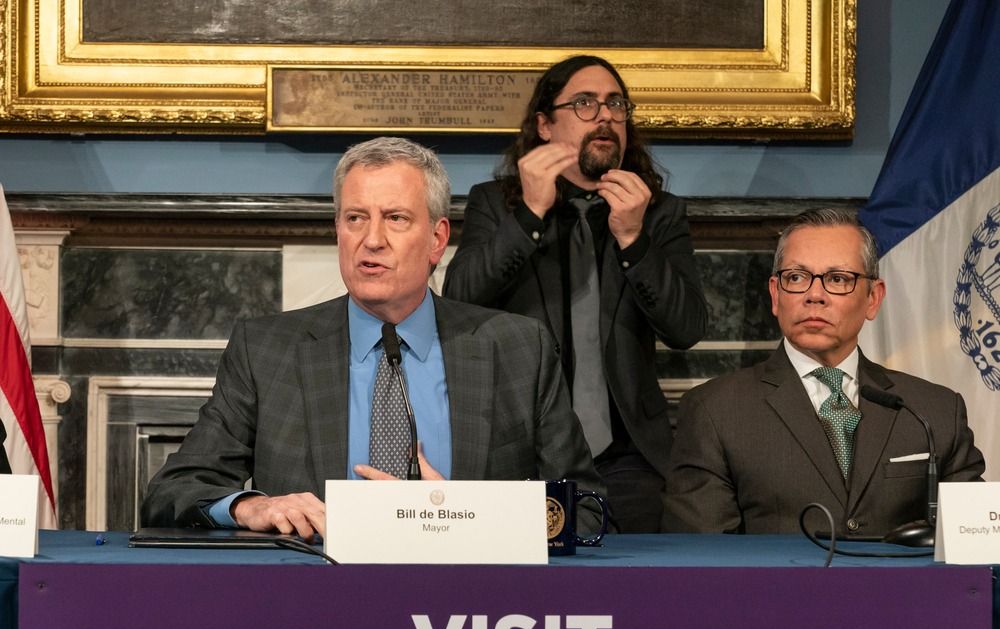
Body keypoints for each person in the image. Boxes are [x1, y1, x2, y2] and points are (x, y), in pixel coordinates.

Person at [141, 137, 602, 538]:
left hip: (468, 605)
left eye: (396, 218)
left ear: (437, 239)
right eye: (355, 218)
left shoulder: (518, 348)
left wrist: (467, 517)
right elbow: (173, 492)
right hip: (312, 599)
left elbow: (586, 510)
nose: (372, 239)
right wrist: (250, 506)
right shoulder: (266, 350)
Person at [443, 55, 707, 533]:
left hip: (629, 457)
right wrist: (529, 216)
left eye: (615, 104)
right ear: (545, 125)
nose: (605, 116)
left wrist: (633, 239)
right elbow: (459, 299)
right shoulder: (495, 203)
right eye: (584, 103)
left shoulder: (659, 212)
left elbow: (687, 328)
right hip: (520, 453)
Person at [662, 208, 985, 537]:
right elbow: (703, 563)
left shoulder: (935, 410)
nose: (814, 296)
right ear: (775, 294)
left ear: (873, 298)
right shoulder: (715, 411)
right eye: (797, 278)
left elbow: (976, 545)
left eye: (837, 279)